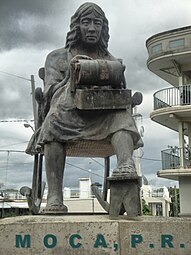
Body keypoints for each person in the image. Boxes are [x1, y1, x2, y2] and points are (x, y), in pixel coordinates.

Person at [27, 2, 143, 214]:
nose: (91, 28)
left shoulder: (110, 59)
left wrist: (114, 78)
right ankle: (54, 197)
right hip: (67, 115)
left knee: (123, 117)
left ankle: (126, 166)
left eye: (96, 23)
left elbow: (120, 90)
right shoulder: (56, 57)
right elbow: (50, 93)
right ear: (76, 26)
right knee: (52, 122)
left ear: (102, 28)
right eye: (86, 22)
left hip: (103, 115)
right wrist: (73, 75)